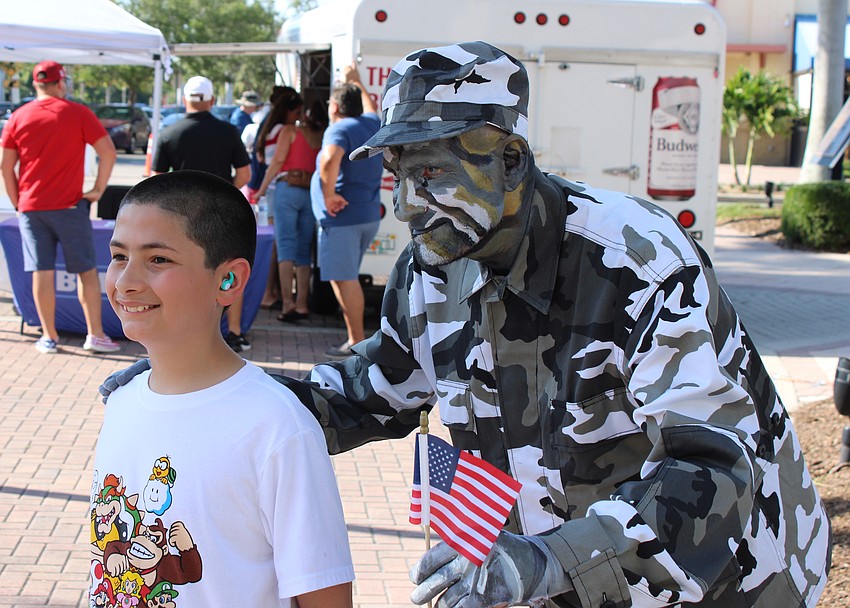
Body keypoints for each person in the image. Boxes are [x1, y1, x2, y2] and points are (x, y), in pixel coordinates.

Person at [101, 42, 831, 608]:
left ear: (511, 161)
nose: (408, 207)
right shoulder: (433, 266)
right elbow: (372, 389)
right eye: (397, 178)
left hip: (723, 580)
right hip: (556, 574)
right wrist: (215, 394)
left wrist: (545, 560)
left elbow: (713, 468)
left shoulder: (635, 261)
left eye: (433, 176)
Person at [91, 170, 353, 606]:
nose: (125, 281)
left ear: (228, 280)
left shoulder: (276, 426)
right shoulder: (120, 401)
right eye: (119, 255)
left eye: (158, 260)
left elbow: (325, 598)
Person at [1, 60, 120, 354]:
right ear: (61, 82)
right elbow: (108, 152)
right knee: (86, 271)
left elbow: (6, 167)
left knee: (41, 271)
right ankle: (95, 334)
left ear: (36, 84)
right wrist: (97, 190)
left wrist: (19, 204)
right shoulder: (77, 112)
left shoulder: (18, 116)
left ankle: (49, 336)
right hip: (69, 206)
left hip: (31, 207)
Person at [152, 75, 253, 353]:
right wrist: (222, 191)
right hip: (220, 213)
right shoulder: (228, 131)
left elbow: (155, 180)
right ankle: (234, 332)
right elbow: (245, 174)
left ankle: (181, 329)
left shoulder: (169, 132)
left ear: (185, 99)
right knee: (230, 269)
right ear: (211, 100)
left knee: (179, 272)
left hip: (178, 217)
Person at [312, 63, 383, 357]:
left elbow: (329, 161)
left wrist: (328, 196)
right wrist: (359, 82)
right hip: (365, 215)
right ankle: (354, 338)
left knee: (345, 279)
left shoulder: (339, 129)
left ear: (336, 106)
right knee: (347, 275)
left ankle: (355, 340)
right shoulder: (371, 124)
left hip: (341, 219)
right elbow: (369, 107)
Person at [255, 89, 324, 323]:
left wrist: (262, 189)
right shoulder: (320, 135)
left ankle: (288, 304)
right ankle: (303, 303)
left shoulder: (289, 131)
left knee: (285, 246)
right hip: (310, 192)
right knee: (304, 251)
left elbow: (276, 163)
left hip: (287, 189)